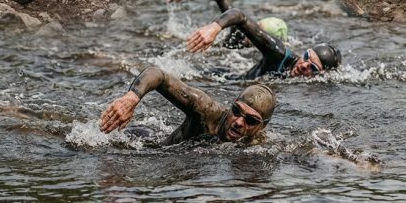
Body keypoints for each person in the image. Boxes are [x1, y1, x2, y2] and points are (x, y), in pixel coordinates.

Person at [99, 67, 275, 145]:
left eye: (251, 120)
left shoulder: (258, 143)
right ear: (231, 106)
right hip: (150, 147)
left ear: (262, 126)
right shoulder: (205, 110)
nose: (238, 122)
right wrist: (131, 98)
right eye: (236, 111)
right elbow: (157, 74)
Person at [186, 7, 342, 79]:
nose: (303, 65)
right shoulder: (278, 54)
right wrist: (214, 28)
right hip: (222, 81)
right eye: (307, 57)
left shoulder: (319, 84)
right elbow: (239, 15)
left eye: (313, 68)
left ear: (322, 75)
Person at [168, 0, 289, 47]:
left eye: (259, 33)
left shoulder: (262, 57)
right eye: (256, 26)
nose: (252, 33)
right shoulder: (239, 30)